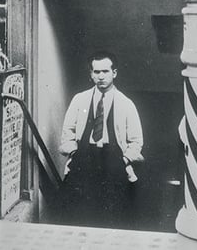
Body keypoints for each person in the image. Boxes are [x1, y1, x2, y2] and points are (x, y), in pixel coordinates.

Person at [59, 51, 143, 228]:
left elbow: (136, 141)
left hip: (114, 162)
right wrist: (75, 152)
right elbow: (67, 132)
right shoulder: (79, 100)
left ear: (115, 73)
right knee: (78, 214)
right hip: (84, 159)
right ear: (91, 74)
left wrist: (124, 160)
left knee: (113, 215)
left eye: (105, 71)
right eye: (96, 72)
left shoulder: (126, 104)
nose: (101, 76)